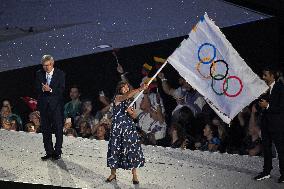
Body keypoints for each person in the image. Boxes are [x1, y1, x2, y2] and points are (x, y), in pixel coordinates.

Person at [106, 81, 147, 185]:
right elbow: (126, 95)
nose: (126, 89)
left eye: (127, 87)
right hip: (118, 128)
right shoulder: (118, 97)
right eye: (123, 87)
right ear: (119, 89)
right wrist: (140, 88)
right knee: (115, 150)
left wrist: (130, 112)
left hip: (129, 128)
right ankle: (113, 173)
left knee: (131, 150)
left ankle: (134, 175)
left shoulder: (130, 101)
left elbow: (134, 116)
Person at [253, 67, 284, 183]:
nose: (263, 77)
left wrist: (268, 106)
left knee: (281, 150)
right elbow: (259, 104)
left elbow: (282, 107)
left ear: (272, 76)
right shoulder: (264, 89)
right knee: (266, 149)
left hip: (277, 125)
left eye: (265, 75)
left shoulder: (281, 88)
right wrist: (260, 98)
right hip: (265, 124)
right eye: (263, 75)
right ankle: (266, 171)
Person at [35, 55, 65, 161]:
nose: (46, 68)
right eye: (44, 65)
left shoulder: (60, 74)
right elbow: (37, 88)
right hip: (44, 107)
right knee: (46, 130)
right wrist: (43, 89)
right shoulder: (39, 74)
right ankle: (49, 152)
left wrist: (50, 90)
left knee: (58, 130)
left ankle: (57, 152)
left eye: (48, 65)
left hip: (56, 107)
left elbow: (61, 90)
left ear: (52, 64)